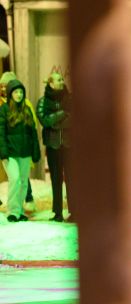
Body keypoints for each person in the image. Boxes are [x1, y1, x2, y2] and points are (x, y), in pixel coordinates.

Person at [0, 79, 41, 222]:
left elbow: (33, 133)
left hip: (25, 152)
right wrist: (3, 151)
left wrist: (35, 151)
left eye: (21, 92)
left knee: (23, 182)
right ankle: (12, 210)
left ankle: (19, 210)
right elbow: (1, 132)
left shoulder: (27, 109)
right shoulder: (4, 110)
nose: (19, 94)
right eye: (16, 92)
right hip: (10, 153)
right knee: (15, 179)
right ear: (10, 94)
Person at [37, 71, 71, 222]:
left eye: (62, 79)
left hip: (70, 146)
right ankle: (57, 212)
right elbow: (45, 121)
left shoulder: (70, 99)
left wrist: (56, 122)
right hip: (53, 146)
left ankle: (74, 211)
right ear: (50, 83)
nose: (61, 81)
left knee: (72, 179)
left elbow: (75, 119)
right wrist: (63, 113)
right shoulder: (43, 101)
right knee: (56, 179)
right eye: (58, 79)